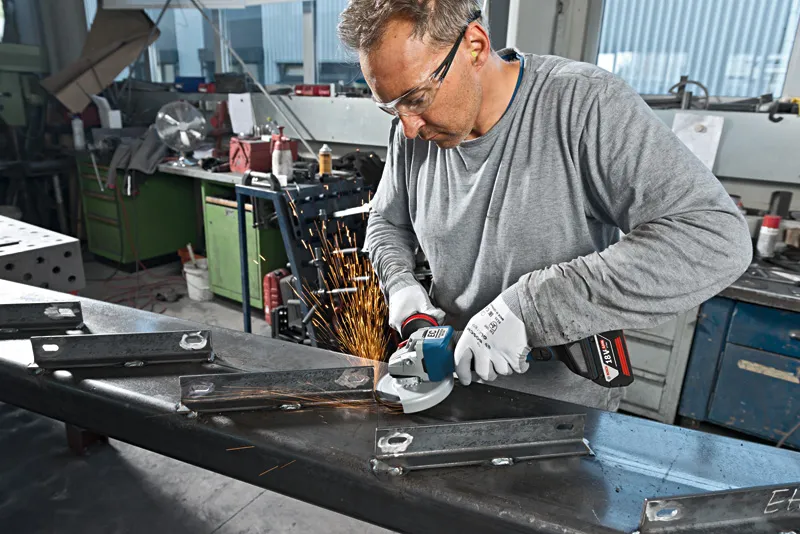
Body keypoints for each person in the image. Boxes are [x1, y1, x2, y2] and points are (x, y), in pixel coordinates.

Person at [338, 0, 752, 410]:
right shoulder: (412, 133)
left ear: (475, 46)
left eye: (416, 98)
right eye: (391, 108)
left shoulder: (586, 105)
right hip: (450, 389)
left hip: (559, 412)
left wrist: (529, 309)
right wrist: (400, 285)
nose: (408, 127)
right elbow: (386, 221)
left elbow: (715, 237)